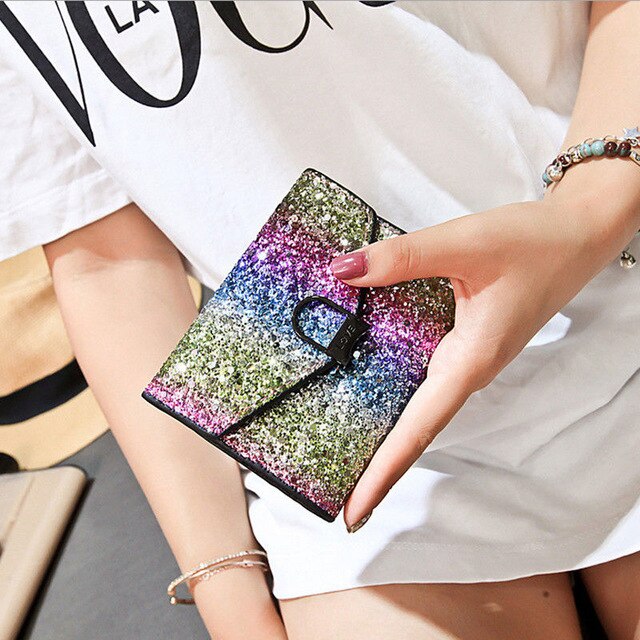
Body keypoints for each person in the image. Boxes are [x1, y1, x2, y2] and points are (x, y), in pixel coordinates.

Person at [1, 1, 639, 638]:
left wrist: (582, 218)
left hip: (617, 285)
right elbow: (106, 258)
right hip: (343, 446)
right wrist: (231, 595)